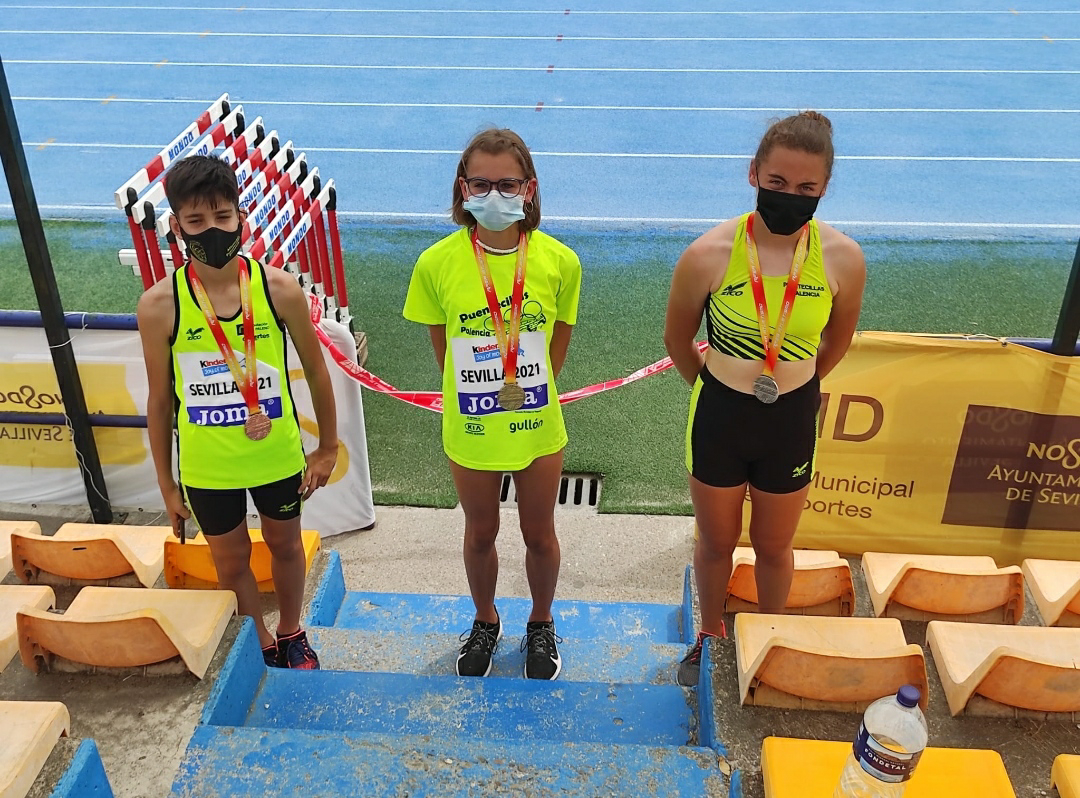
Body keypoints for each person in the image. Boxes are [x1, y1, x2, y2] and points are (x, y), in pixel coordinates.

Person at [663, 112, 866, 686]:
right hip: (720, 415)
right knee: (716, 542)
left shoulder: (844, 259)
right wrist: (718, 389)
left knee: (775, 547)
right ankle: (710, 634)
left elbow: (838, 341)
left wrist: (795, 386)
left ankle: (773, 638)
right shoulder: (709, 253)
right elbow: (678, 340)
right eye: (777, 183)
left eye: (806, 188)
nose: (790, 196)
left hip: (792, 419)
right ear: (753, 173)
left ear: (825, 188)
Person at [137, 155, 338, 670]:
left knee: (286, 548)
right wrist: (166, 484)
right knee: (230, 561)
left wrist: (327, 448)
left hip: (275, 456)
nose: (212, 230)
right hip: (209, 469)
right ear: (177, 227)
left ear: (241, 216)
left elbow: (318, 373)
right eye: (196, 221)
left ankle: (292, 630)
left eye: (222, 217)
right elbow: (161, 402)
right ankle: (260, 639)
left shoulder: (279, 290)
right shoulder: (160, 305)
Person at [404, 128, 582, 680]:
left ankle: (540, 621)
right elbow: (446, 357)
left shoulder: (560, 262)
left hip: (535, 425)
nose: (494, 194)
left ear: (529, 189)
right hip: (472, 428)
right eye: (481, 183)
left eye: (507, 184)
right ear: (462, 189)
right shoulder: (435, 264)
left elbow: (556, 352)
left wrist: (520, 391)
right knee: (480, 533)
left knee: (539, 534)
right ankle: (485, 618)